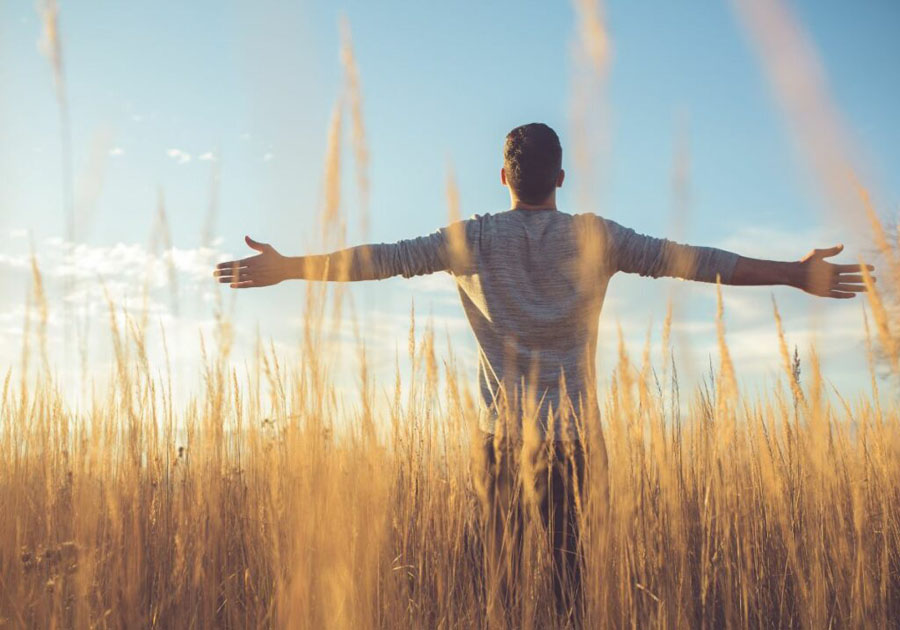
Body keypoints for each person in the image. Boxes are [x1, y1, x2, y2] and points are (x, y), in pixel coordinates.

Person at [214, 123, 874, 626]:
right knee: (572, 589)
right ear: (561, 176)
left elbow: (379, 261)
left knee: (499, 592)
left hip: (500, 440)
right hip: (578, 442)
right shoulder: (597, 236)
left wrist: (291, 266)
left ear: (503, 174)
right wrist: (793, 273)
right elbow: (693, 261)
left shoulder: (470, 238)